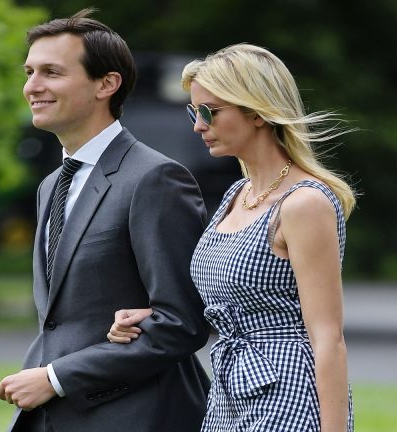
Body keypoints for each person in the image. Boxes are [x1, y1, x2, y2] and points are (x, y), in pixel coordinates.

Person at [108, 43, 356, 432]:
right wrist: (150, 318)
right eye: (193, 112)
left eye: (210, 112)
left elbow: (328, 337)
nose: (198, 126)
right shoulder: (236, 195)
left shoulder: (304, 203)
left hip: (288, 396)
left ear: (256, 112)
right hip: (228, 396)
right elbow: (233, 304)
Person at [0, 9, 211, 432]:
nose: (32, 86)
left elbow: (182, 324)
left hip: (135, 416)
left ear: (106, 84)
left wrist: (56, 378)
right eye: (30, 72)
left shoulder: (155, 179)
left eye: (52, 72)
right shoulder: (50, 185)